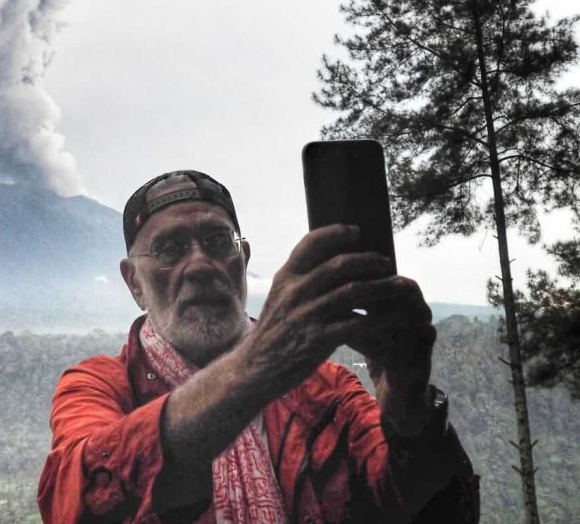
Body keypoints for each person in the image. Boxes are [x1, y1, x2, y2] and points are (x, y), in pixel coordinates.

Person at [38, 170, 479, 523]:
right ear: (134, 281)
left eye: (216, 242)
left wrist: (409, 401)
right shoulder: (99, 385)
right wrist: (262, 363)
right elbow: (75, 501)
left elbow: (433, 513)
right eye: (170, 249)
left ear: (243, 258)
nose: (199, 265)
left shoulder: (326, 391)